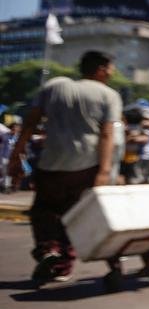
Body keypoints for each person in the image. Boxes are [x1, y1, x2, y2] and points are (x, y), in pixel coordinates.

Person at [5, 51, 122, 283]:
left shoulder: (54, 85)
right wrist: (105, 171)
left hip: (51, 162)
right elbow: (107, 135)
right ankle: (64, 263)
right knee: (75, 215)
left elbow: (31, 121)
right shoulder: (108, 95)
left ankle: (49, 250)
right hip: (85, 165)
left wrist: (16, 154)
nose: (112, 72)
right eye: (110, 68)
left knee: (44, 211)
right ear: (101, 69)